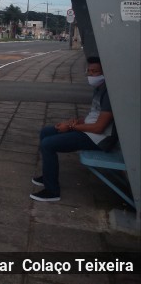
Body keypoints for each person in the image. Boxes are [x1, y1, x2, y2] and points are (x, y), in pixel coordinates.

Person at [30, 56, 116, 202]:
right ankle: (47, 175)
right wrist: (76, 122)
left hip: (99, 138)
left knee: (48, 144)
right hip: (90, 130)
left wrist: (70, 127)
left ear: (105, 72)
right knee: (46, 132)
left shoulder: (109, 94)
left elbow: (100, 127)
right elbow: (94, 116)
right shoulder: (99, 88)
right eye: (88, 71)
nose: (90, 75)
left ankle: (52, 191)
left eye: (94, 72)